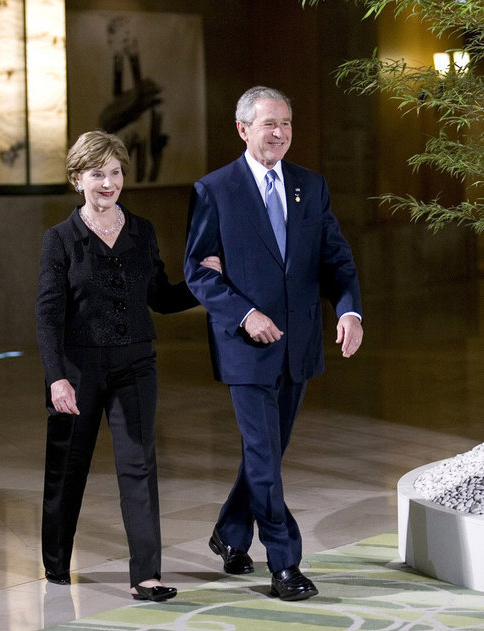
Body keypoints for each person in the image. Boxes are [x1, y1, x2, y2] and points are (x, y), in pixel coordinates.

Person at [184, 86, 363, 601]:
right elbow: (197, 270)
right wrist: (245, 313)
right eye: (269, 124)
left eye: (286, 122)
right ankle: (284, 564)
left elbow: (336, 260)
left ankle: (230, 534)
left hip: (299, 343)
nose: (280, 132)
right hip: (246, 346)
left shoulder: (311, 185)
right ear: (243, 129)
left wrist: (349, 309)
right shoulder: (214, 190)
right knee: (263, 454)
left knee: (267, 454)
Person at [35, 130, 217, 601]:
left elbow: (159, 297)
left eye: (115, 172)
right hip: (77, 371)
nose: (108, 182)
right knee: (67, 468)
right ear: (78, 179)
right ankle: (55, 562)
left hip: (136, 363)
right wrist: (56, 377)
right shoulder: (60, 240)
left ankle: (147, 576)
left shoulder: (141, 231)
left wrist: (202, 282)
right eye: (98, 173)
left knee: (139, 465)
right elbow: (48, 315)